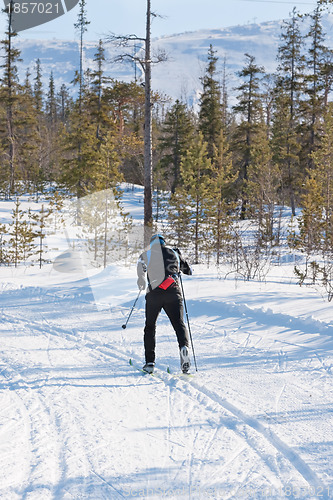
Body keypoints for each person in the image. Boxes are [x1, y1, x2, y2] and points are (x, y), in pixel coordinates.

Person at [137, 234, 193, 374]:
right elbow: (189, 271)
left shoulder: (146, 254)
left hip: (154, 294)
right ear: (164, 242)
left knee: (150, 327)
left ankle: (150, 362)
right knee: (179, 324)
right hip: (173, 292)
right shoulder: (174, 252)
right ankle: (183, 348)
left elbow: (140, 270)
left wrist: (141, 280)